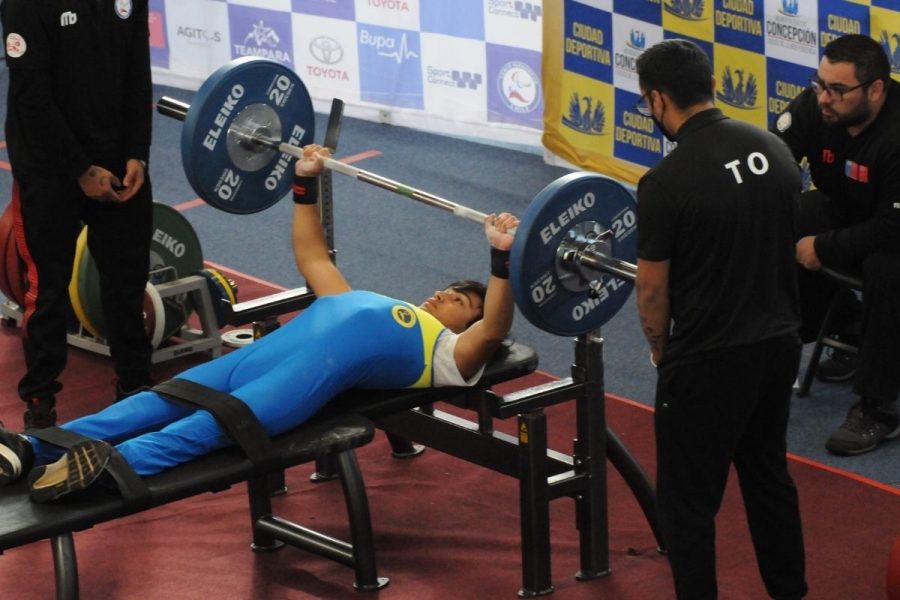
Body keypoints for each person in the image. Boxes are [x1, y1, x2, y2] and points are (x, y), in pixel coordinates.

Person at [0, 145, 519, 503]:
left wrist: (500, 261)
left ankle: (100, 472)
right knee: (156, 400)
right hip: (252, 361)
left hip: (294, 384)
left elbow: (494, 328)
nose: (444, 294)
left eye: (459, 300)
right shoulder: (362, 298)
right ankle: (33, 448)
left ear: (467, 321)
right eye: (450, 288)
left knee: (209, 427)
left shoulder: (448, 352)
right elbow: (313, 255)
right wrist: (305, 183)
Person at [634, 40, 807, 599]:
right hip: (779, 345)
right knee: (768, 477)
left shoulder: (665, 181)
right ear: (711, 85)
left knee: (687, 502)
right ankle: (790, 592)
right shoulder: (774, 150)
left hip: (708, 359)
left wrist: (662, 350)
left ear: (659, 99)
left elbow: (651, 288)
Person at [1, 0, 157, 429]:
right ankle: (40, 404)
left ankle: (134, 388)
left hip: (117, 161)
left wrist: (137, 154)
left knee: (127, 282)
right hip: (50, 168)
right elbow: (31, 98)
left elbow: (136, 75)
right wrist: (80, 170)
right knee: (46, 293)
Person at [771, 33, 900, 456]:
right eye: (819, 84)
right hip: (851, 212)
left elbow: (890, 228)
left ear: (876, 90)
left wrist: (823, 248)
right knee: (780, 219)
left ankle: (879, 406)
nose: (824, 98)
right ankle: (847, 321)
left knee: (886, 268)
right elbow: (771, 166)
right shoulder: (818, 107)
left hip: (893, 234)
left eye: (838, 90)